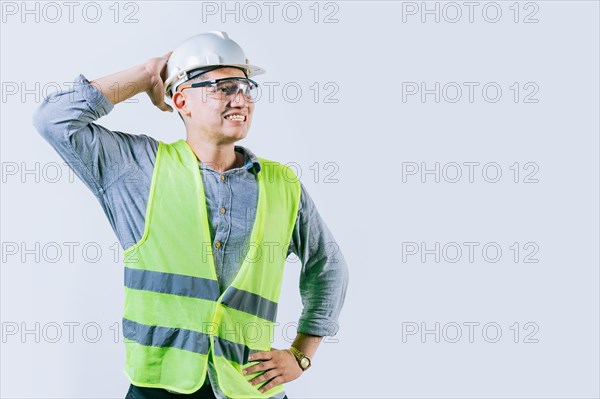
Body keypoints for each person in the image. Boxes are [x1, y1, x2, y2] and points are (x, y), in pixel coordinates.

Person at [32, 31, 348, 399]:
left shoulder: (282, 185)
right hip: (158, 387)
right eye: (224, 88)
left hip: (250, 385)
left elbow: (328, 265)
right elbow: (54, 119)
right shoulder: (137, 169)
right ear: (182, 99)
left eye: (246, 88)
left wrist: (301, 355)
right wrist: (147, 73)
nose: (240, 99)